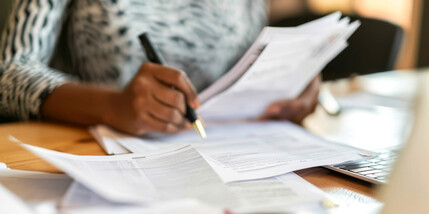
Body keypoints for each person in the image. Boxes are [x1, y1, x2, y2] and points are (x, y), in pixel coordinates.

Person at [0, 0, 320, 135]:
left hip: (226, 156)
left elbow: (248, 56)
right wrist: (112, 106)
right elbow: (9, 72)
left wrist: (289, 78)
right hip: (97, 156)